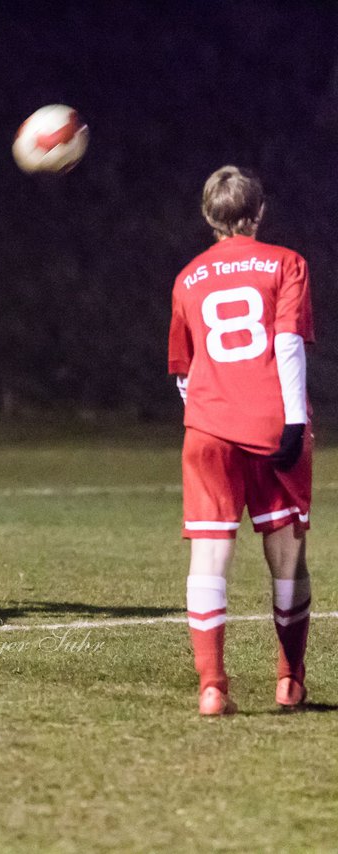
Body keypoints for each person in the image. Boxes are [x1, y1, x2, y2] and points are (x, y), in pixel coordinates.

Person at [168, 165, 315, 716]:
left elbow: (185, 373)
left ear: (209, 216)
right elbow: (288, 346)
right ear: (259, 211)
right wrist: (295, 421)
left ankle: (212, 687)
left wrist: (210, 414)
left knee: (209, 558)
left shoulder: (187, 278)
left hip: (207, 430)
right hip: (273, 425)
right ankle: (288, 679)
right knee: (288, 561)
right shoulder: (286, 263)